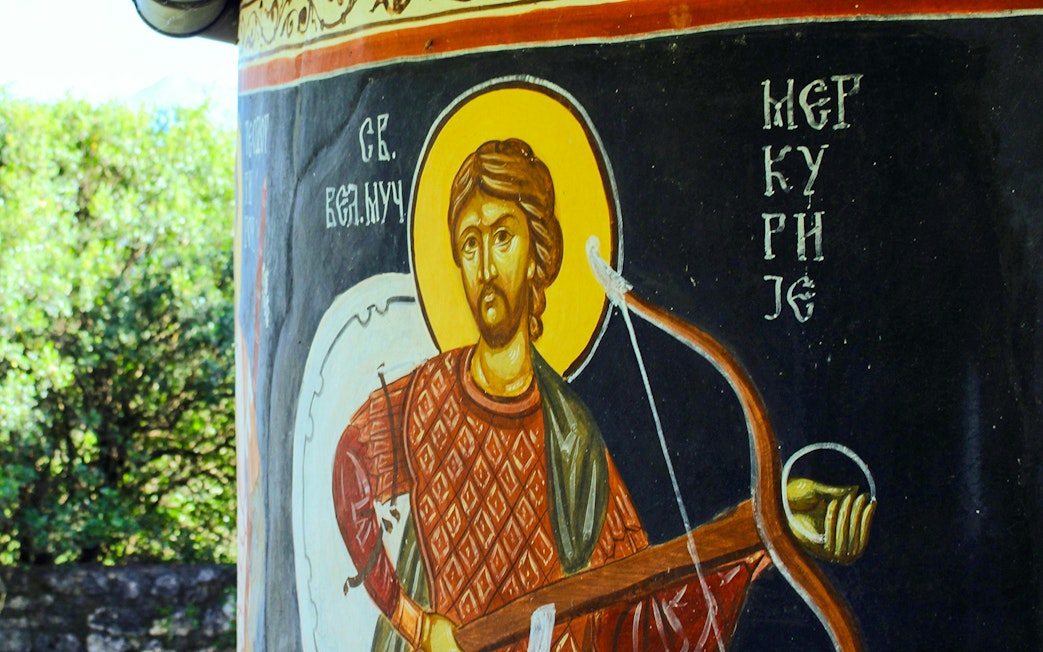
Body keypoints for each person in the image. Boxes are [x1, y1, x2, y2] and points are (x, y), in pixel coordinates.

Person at [332, 138, 873, 651]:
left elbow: (632, 619)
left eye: (503, 236)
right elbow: (352, 468)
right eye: (470, 243)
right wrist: (420, 628)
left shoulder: (572, 441)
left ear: (538, 252)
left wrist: (764, 530)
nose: (486, 267)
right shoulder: (426, 397)